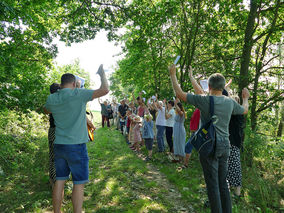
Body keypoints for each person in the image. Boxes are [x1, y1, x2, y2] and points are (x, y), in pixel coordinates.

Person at [169, 64, 249, 213]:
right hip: (226, 146)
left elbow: (180, 94)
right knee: (223, 184)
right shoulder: (230, 101)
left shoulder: (204, 100)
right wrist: (245, 98)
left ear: (209, 86)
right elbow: (244, 110)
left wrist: (173, 75)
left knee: (213, 186)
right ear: (223, 86)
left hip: (209, 145)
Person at [44, 64, 109, 213]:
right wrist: (102, 73)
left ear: (60, 84)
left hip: (59, 144)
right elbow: (105, 89)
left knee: (59, 180)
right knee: (78, 183)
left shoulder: (52, 97)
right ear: (74, 84)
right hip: (76, 146)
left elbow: (46, 109)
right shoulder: (78, 94)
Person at [227, 96, 245, 197]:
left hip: (234, 143)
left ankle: (237, 192)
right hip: (228, 142)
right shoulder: (229, 112)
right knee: (227, 167)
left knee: (235, 167)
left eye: (234, 101)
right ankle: (228, 189)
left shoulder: (238, 113)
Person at [48, 83, 61, 188]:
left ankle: (53, 181)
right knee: (58, 157)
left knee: (53, 156)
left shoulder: (50, 100)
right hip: (59, 131)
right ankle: (56, 182)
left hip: (52, 130)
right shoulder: (60, 100)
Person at [172, 98, 186, 163]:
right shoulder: (177, 113)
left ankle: (182, 158)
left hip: (180, 129)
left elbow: (179, 110)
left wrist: (175, 103)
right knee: (176, 142)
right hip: (176, 129)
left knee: (180, 143)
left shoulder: (181, 113)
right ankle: (178, 158)